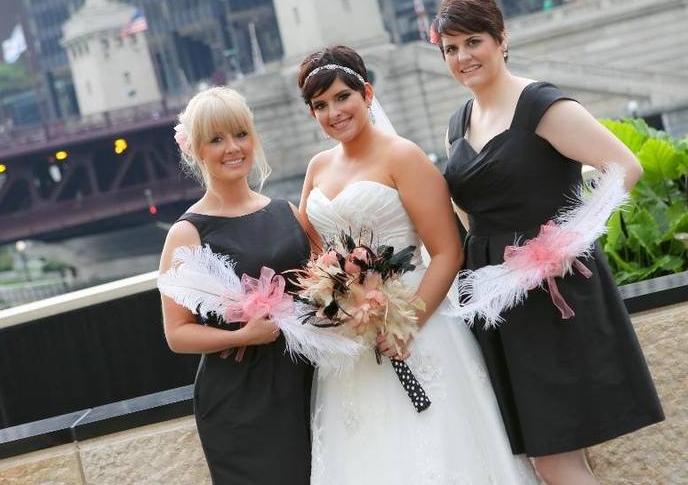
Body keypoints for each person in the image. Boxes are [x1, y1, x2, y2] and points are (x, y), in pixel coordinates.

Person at [436, 0, 665, 485]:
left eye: (473, 42)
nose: (462, 57)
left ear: (501, 39)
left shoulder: (542, 104)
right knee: (541, 456)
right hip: (493, 295)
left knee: (555, 458)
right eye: (450, 48)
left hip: (550, 291)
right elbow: (465, 210)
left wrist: (567, 242)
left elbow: (625, 167)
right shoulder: (457, 124)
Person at [297, 46, 539, 484]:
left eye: (342, 97)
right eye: (320, 105)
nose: (333, 112)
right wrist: (336, 299)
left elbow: (448, 251)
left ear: (366, 93)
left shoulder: (403, 157)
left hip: (417, 325)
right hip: (350, 345)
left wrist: (405, 323)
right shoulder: (317, 167)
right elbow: (316, 253)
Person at [157, 87, 313, 485]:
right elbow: (177, 333)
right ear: (196, 150)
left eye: (240, 134)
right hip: (241, 402)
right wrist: (244, 335)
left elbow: (323, 283)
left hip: (309, 381)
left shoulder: (286, 211)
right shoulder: (187, 233)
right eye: (216, 139)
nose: (233, 148)